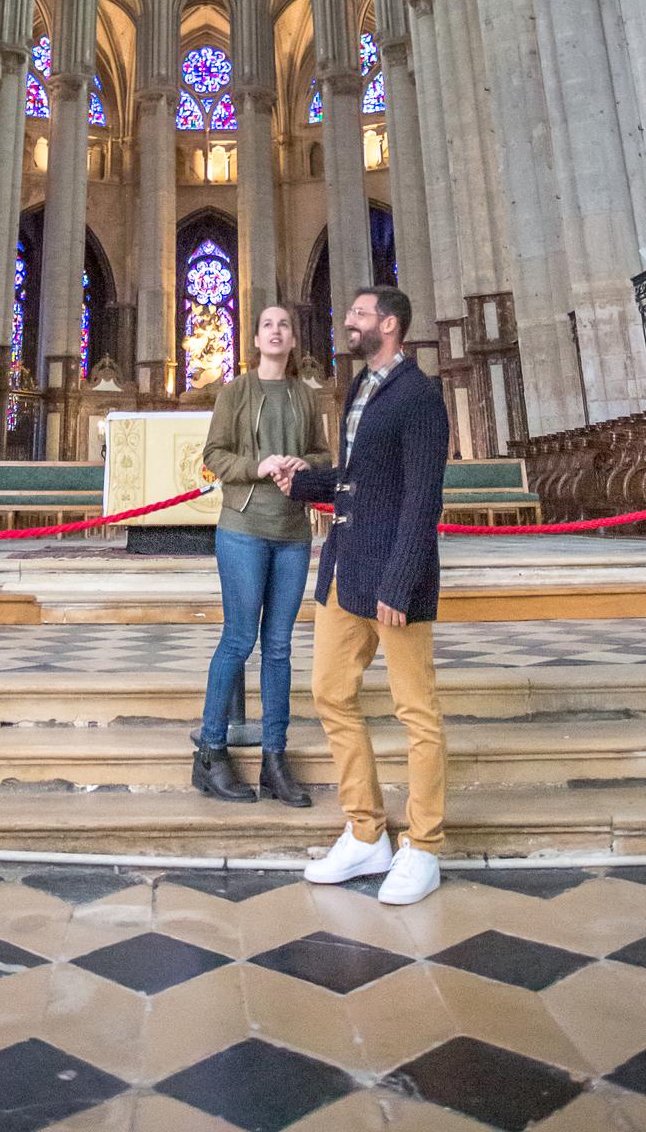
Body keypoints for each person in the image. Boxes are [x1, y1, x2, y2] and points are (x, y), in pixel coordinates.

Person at [272, 286, 449, 905]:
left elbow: (422, 496)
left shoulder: (420, 396)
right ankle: (366, 830)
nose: (348, 321)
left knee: (416, 712)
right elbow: (356, 480)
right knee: (330, 693)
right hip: (345, 569)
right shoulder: (360, 388)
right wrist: (303, 481)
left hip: (393, 578)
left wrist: (400, 580)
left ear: (391, 325)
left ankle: (423, 846)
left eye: (360, 315)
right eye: (349, 313)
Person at [196, 304, 331, 806]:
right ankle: (210, 751)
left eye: (285, 326)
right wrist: (260, 465)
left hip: (293, 531)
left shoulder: (304, 394)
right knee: (238, 639)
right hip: (244, 528)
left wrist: (302, 462)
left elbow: (322, 454)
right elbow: (213, 455)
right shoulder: (235, 391)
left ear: (294, 339)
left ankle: (276, 759)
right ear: (255, 339)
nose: (276, 332)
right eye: (267, 325)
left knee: (279, 647)